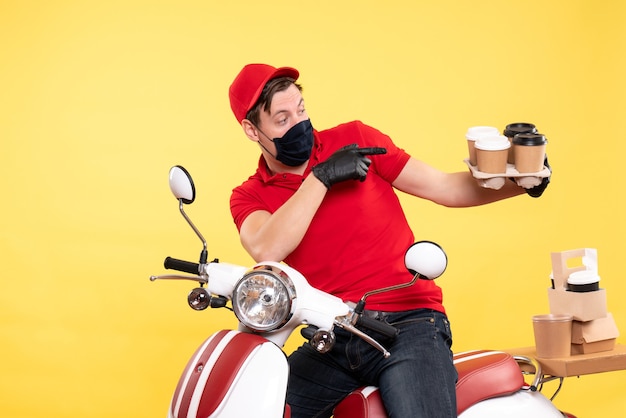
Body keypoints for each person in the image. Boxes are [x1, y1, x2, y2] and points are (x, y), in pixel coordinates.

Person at [227, 63, 550, 418]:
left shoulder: (356, 140)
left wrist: (518, 183)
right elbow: (267, 248)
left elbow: (443, 187)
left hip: (409, 326)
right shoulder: (249, 195)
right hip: (332, 334)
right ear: (251, 129)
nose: (300, 125)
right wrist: (321, 177)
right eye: (282, 119)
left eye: (301, 111)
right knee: (260, 406)